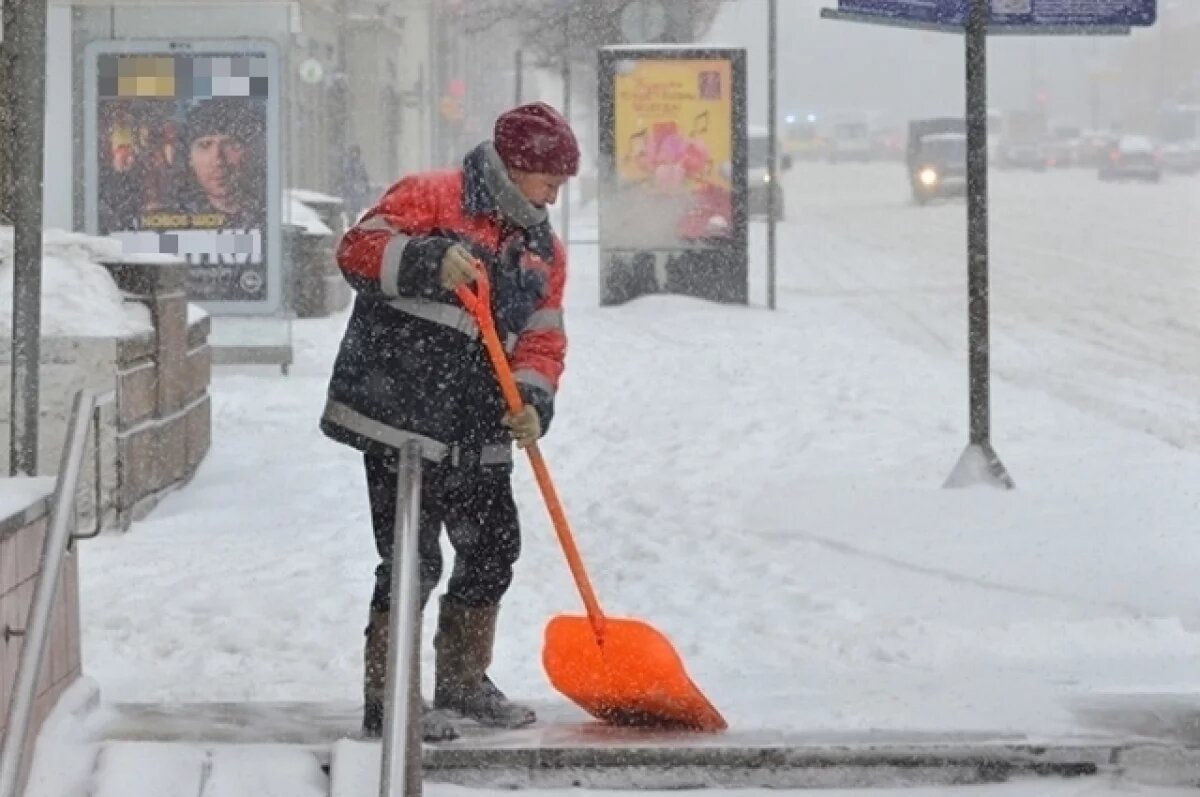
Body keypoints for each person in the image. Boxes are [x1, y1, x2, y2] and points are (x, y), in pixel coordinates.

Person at [319, 102, 578, 742]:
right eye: (551, 177)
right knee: (412, 556)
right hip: (400, 412)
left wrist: (531, 400)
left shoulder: (543, 249)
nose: (557, 192)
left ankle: (463, 680)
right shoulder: (435, 195)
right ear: (517, 166)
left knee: (493, 547)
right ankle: (391, 697)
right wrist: (428, 258)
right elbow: (357, 252)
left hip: (479, 422)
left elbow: (543, 338)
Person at [179, 98, 264, 226]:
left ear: (249, 152)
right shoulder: (177, 219)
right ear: (190, 159)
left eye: (230, 144)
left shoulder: (268, 211)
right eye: (205, 145)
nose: (218, 160)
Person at [338, 144, 372, 222]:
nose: (354, 154)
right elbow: (343, 174)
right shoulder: (346, 163)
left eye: (356, 152)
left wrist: (367, 185)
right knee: (349, 204)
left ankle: (353, 218)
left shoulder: (360, 163)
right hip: (348, 187)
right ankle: (350, 217)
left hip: (357, 188)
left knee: (356, 205)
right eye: (353, 152)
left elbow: (364, 174)